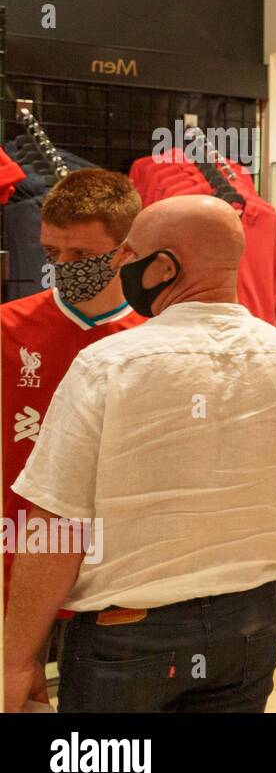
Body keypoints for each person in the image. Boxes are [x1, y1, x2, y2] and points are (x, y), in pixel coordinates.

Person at [4, 195, 276, 713]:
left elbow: (56, 525)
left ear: (164, 266)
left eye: (128, 254)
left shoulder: (109, 364)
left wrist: (16, 659)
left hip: (130, 634)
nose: (120, 266)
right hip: (251, 621)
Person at [2, 170, 145, 611]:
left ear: (126, 252)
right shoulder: (7, 327)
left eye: (81, 252)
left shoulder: (156, 336)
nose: (63, 264)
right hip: (22, 557)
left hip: (121, 567)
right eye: (51, 251)